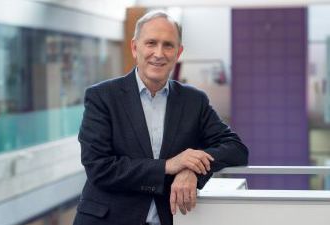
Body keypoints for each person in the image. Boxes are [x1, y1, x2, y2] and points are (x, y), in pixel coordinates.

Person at [73, 10, 248, 225]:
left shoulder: (194, 100)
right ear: (134, 47)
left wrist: (191, 169)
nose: (159, 53)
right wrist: (168, 166)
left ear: (178, 52)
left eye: (168, 45)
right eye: (151, 43)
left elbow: (236, 149)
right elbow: (98, 167)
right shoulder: (102, 97)